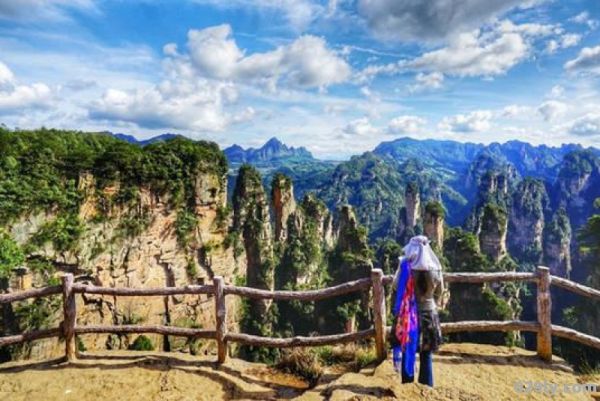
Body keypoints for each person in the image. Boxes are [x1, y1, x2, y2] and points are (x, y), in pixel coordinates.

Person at [391, 235, 444, 387]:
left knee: (408, 349)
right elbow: (440, 291)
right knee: (426, 353)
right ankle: (427, 387)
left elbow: (396, 286)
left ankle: (407, 387)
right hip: (429, 313)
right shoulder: (436, 267)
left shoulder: (405, 266)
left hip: (408, 316)